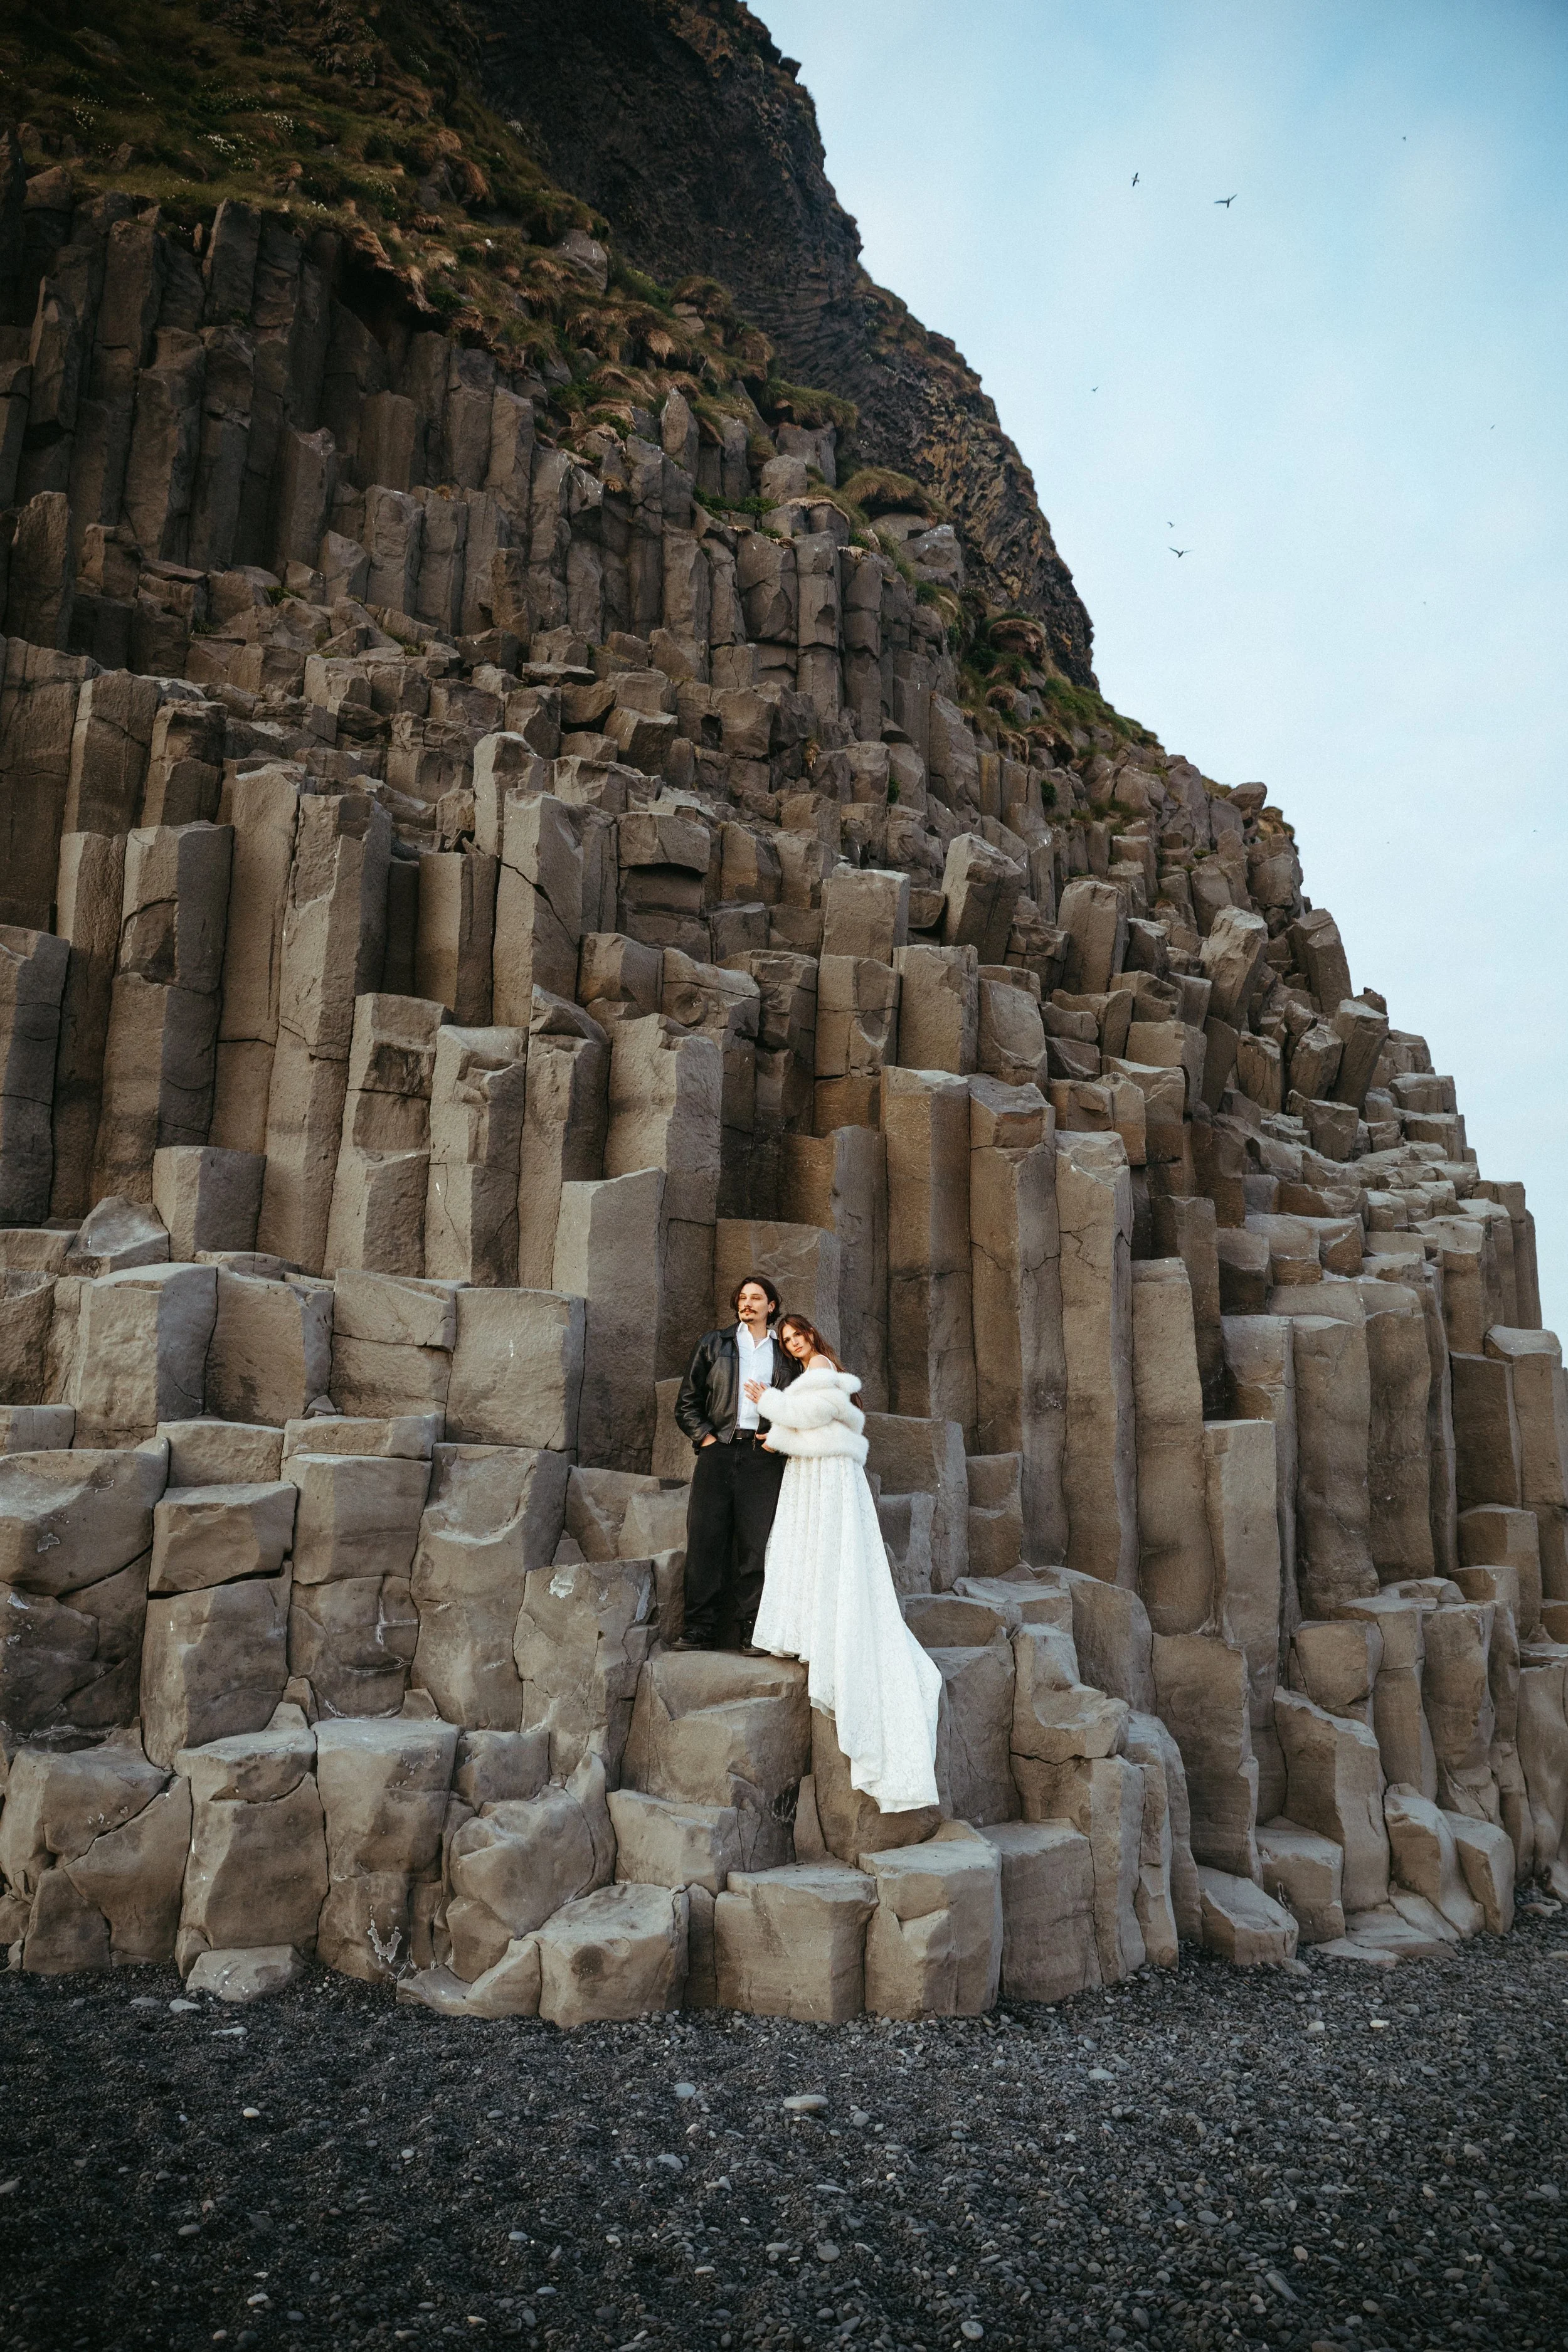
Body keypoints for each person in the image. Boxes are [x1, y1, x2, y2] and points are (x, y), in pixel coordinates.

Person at [749, 1315, 941, 1813]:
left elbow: (811, 1416)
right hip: (814, 1471)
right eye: (787, 1341)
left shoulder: (826, 1372)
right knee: (808, 1546)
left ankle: (824, 1632)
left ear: (811, 1336)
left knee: (824, 1546)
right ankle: (807, 1628)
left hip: (827, 1474)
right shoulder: (811, 1377)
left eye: (797, 1336)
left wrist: (768, 1405)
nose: (793, 1344)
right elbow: (807, 1421)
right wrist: (780, 1430)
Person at [672, 1274, 802, 1652]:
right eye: (742, 1298)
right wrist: (707, 1439)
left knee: (757, 1544)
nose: (747, 1303)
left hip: (764, 1455)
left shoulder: (785, 1353)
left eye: (756, 1298)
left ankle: (753, 1629)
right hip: (718, 1451)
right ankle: (699, 1628)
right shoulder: (715, 1344)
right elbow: (687, 1402)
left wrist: (780, 1441)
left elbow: (801, 1405)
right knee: (705, 1540)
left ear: (771, 1307)